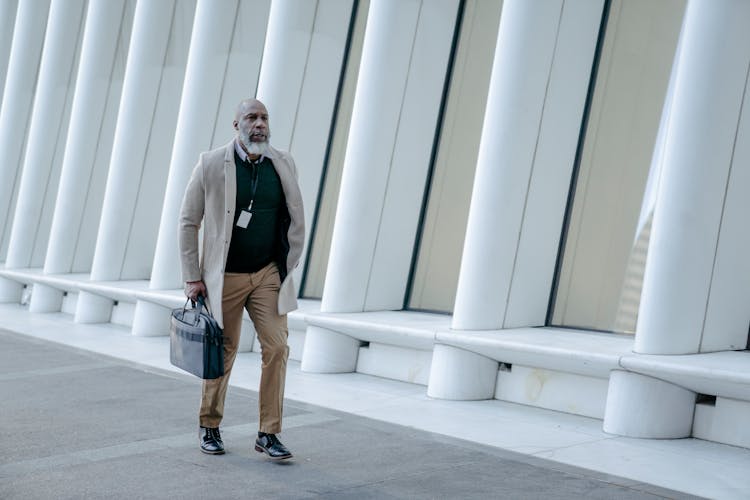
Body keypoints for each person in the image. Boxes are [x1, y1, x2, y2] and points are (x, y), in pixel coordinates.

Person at [178, 98, 304, 460]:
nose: (260, 123)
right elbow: (188, 221)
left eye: (264, 117)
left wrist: (286, 266)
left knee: (277, 348)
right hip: (225, 276)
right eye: (251, 117)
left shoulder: (283, 163)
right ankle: (210, 425)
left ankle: (269, 432)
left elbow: (291, 217)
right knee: (224, 351)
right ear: (237, 125)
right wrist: (191, 277)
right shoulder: (211, 163)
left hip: (267, 273)